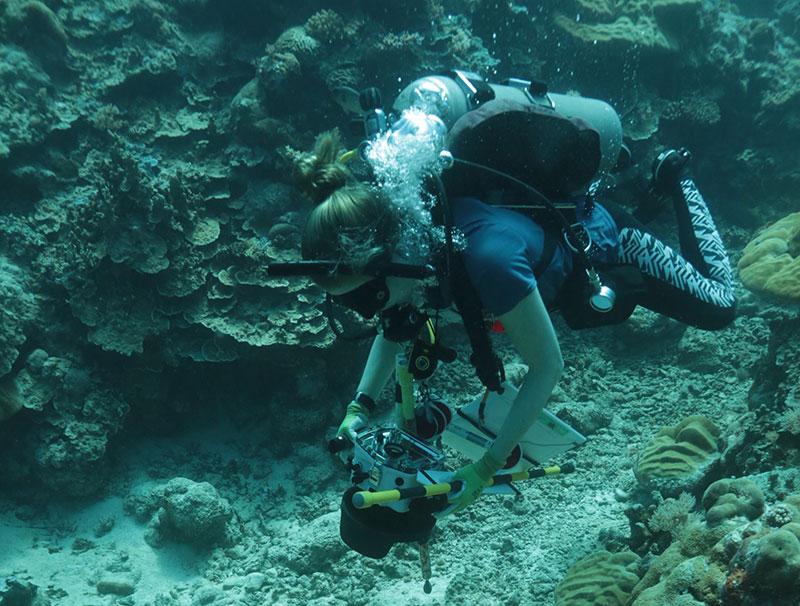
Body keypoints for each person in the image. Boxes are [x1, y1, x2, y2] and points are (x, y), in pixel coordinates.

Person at [290, 86, 737, 511]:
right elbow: (394, 327)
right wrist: (358, 409)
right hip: (545, 254)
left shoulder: (489, 257)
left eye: (368, 299)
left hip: (608, 239)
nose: (371, 313)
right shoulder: (412, 250)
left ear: (393, 261)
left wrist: (486, 467)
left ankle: (675, 175)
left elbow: (547, 367)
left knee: (719, 307)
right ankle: (651, 196)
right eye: (350, 305)